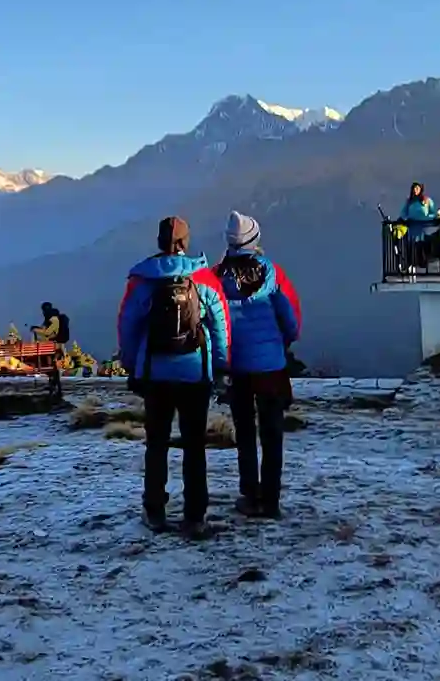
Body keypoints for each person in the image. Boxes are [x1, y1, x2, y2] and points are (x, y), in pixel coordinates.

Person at [116, 215, 231, 537]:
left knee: (157, 443)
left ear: (158, 242)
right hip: (195, 373)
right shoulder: (204, 278)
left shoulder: (142, 281)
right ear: (185, 243)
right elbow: (220, 326)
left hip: (155, 373)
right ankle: (195, 515)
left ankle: (155, 510)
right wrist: (221, 365)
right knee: (194, 446)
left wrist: (130, 364)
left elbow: (127, 325)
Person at [216, 211, 302, 520]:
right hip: (271, 367)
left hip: (238, 367)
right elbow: (290, 319)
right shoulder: (272, 273)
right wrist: (285, 341)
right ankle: (272, 499)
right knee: (272, 433)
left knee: (245, 432)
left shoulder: (218, 276)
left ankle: (250, 495)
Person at [399, 183, 440, 271]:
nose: (415, 190)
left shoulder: (427, 200)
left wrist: (427, 218)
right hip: (414, 226)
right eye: (414, 188)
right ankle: (414, 262)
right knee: (414, 244)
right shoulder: (409, 201)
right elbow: (403, 213)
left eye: (417, 188)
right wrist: (407, 218)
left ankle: (424, 261)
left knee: (424, 244)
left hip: (425, 226)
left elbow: (433, 212)